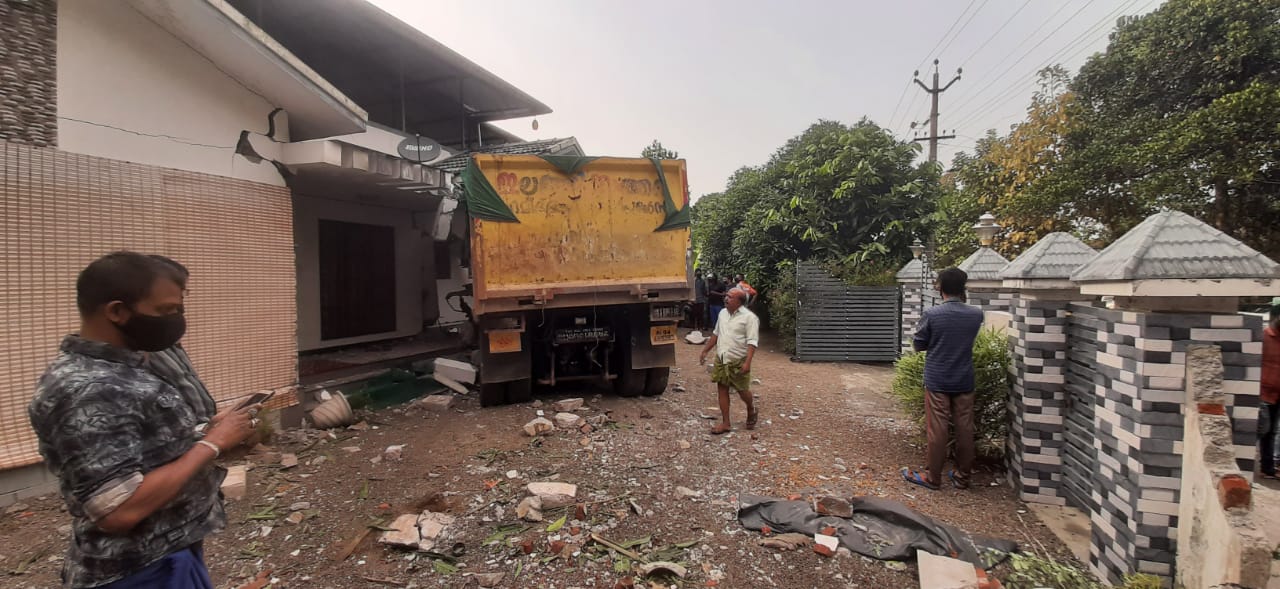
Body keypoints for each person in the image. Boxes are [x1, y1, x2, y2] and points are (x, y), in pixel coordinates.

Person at [28, 252, 260, 588]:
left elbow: (143, 449)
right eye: (165, 311)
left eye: (179, 309)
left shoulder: (125, 369)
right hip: (137, 571)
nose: (176, 320)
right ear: (117, 311)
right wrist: (213, 443)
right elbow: (118, 509)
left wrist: (201, 432)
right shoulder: (87, 388)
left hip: (169, 554)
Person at [902, 268, 985, 491]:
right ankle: (963, 476)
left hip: (938, 378)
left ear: (940, 288)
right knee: (965, 428)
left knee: (937, 429)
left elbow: (919, 344)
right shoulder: (976, 314)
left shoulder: (933, 314)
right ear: (963, 288)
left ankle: (933, 477)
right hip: (964, 378)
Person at [699, 288, 760, 434]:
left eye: (730, 297)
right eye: (726, 295)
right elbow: (716, 334)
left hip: (738, 359)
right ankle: (726, 423)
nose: (726, 298)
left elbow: (752, 342)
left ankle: (751, 408)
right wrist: (705, 350)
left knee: (742, 390)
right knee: (722, 388)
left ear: (739, 302)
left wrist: (747, 363)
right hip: (722, 358)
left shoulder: (749, 318)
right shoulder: (722, 313)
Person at [1260, 305, 1280, 478]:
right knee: (1264, 430)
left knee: (1273, 431)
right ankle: (1266, 467)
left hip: (1278, 393)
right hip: (1264, 393)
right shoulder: (1263, 338)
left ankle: (1269, 468)